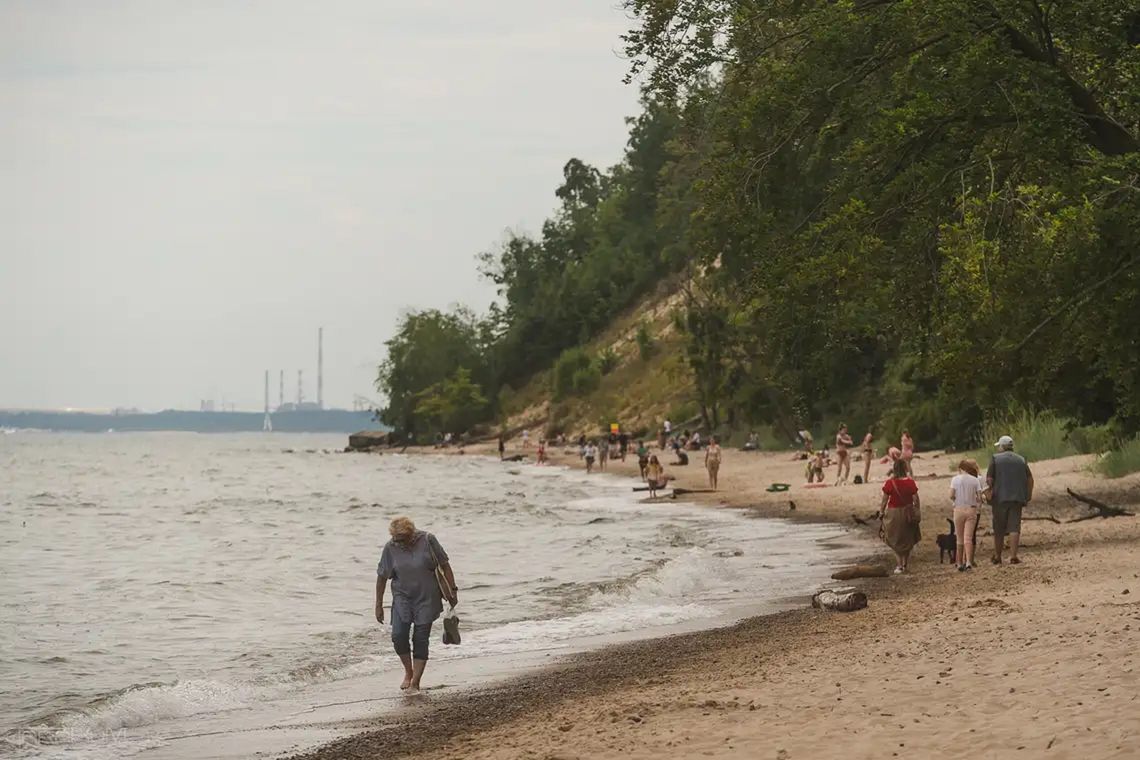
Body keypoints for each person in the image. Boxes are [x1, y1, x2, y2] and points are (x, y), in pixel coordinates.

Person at [375, 517, 457, 693]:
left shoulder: (428, 540)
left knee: (420, 639)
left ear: (411, 534)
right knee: (398, 636)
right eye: (395, 539)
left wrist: (452, 590)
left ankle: (415, 682)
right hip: (402, 598)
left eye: (402, 539)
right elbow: (382, 577)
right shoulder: (391, 547)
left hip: (427, 598)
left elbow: (445, 565)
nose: (398, 543)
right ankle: (408, 671)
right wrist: (378, 605)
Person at [986, 435, 1034, 565]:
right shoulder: (1021, 460)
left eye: (999, 447)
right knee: (1014, 527)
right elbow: (1030, 478)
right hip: (1017, 497)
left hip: (999, 498)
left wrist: (988, 491)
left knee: (999, 528)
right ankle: (1013, 556)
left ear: (1002, 446)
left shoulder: (995, 459)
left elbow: (989, 479)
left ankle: (998, 556)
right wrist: (1028, 494)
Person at [878, 459, 921, 574]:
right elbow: (916, 499)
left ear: (894, 469)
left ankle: (899, 565)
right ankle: (905, 564)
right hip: (908, 512)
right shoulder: (910, 482)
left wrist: (881, 512)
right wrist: (916, 511)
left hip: (894, 514)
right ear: (905, 469)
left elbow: (884, 500)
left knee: (894, 538)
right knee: (907, 538)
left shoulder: (890, 483)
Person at [949, 458, 983, 571]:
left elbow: (951, 495)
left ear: (960, 469)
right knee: (968, 538)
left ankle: (959, 562)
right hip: (971, 509)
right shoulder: (975, 480)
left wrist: (956, 498)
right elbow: (979, 497)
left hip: (958, 509)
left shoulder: (955, 479)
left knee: (959, 537)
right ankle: (968, 561)